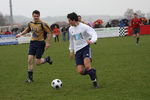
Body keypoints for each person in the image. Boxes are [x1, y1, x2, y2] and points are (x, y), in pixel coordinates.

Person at [16, 10, 53, 83]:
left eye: (37, 16)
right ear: (32, 15)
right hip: (32, 43)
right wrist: (20, 34)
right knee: (29, 60)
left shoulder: (43, 24)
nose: (36, 17)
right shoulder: (30, 23)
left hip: (40, 43)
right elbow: (27, 30)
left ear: (39, 16)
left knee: (37, 62)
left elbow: (49, 32)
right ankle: (30, 79)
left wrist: (47, 43)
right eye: (34, 16)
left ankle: (47, 59)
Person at [67, 12, 99, 88]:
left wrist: (92, 40)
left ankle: (95, 83)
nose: (68, 22)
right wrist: (71, 51)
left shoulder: (84, 27)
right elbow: (71, 40)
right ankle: (92, 72)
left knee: (87, 66)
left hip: (85, 48)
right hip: (77, 51)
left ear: (74, 20)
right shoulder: (70, 29)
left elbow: (94, 33)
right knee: (80, 71)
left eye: (69, 20)